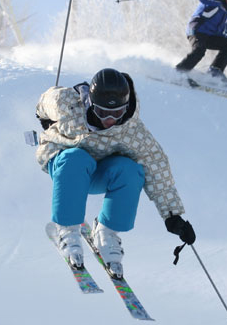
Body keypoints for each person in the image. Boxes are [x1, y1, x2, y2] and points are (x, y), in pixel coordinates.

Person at [35, 68, 196, 278]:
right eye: (103, 113)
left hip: (97, 173)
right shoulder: (67, 103)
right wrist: (44, 119)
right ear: (91, 103)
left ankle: (106, 232)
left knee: (130, 170)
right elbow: (43, 103)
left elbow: (158, 170)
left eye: (117, 113)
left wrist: (172, 216)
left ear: (126, 108)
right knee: (76, 158)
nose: (110, 119)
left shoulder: (133, 132)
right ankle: (67, 230)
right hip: (64, 164)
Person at [175, 0, 227, 80]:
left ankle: (215, 72)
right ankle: (180, 72)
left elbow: (222, 30)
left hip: (209, 36)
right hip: (197, 31)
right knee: (199, 50)